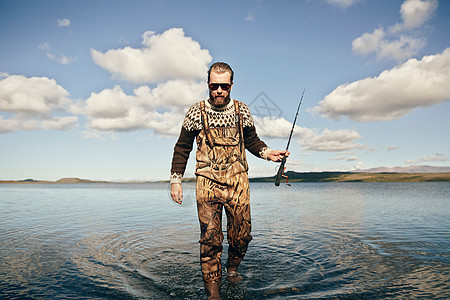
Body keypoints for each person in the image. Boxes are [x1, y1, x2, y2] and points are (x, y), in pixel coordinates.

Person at [170, 62, 288, 299]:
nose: (219, 91)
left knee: (242, 235)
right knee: (210, 238)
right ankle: (213, 292)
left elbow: (252, 140)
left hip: (238, 181)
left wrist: (268, 153)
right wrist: (176, 180)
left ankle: (232, 267)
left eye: (224, 86)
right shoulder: (195, 112)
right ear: (208, 85)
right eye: (214, 86)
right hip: (207, 181)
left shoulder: (242, 110)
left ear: (232, 85)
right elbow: (182, 147)